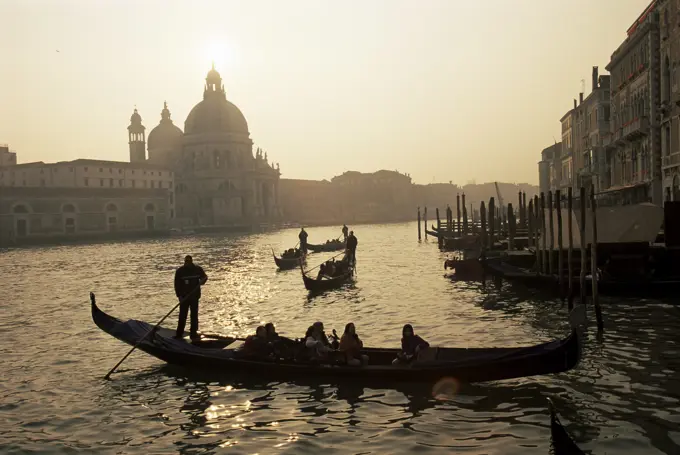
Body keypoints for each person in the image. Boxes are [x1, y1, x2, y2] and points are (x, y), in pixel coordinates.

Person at [174, 255, 208, 340]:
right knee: (182, 316)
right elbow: (177, 285)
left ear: (191, 262)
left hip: (194, 297)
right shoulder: (180, 271)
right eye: (186, 262)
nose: (188, 264)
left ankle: (193, 333)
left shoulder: (197, 269)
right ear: (185, 262)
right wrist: (179, 296)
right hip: (184, 297)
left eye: (189, 262)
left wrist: (203, 280)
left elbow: (204, 277)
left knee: (194, 315)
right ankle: (179, 334)